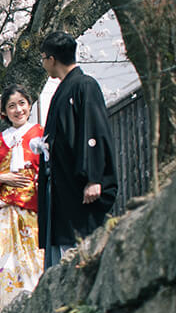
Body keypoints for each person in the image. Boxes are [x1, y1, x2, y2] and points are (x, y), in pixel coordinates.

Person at [37, 31, 118, 268]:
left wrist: (94, 178)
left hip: (79, 184)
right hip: (61, 182)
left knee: (77, 245)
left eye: (43, 58)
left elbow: (93, 131)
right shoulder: (64, 89)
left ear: (52, 59)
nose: (43, 64)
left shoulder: (84, 85)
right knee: (62, 244)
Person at [0, 85, 45, 313]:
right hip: (5, 213)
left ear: (29, 104)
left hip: (33, 210)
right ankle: (2, 311)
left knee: (33, 257)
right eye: (12, 106)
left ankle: (36, 302)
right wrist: (1, 178)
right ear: (4, 111)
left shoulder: (41, 135)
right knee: (5, 261)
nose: (18, 110)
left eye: (22, 103)